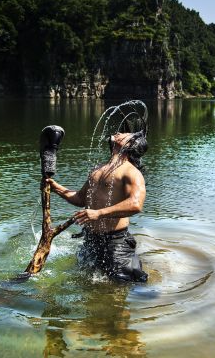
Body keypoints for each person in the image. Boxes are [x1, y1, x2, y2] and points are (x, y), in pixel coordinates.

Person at [46, 119, 148, 282]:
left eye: (125, 134)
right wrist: (56, 187)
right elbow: (81, 198)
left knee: (120, 289)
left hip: (116, 243)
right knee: (88, 284)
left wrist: (98, 213)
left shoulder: (131, 172)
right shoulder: (98, 169)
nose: (118, 132)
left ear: (130, 144)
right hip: (91, 239)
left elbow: (135, 204)